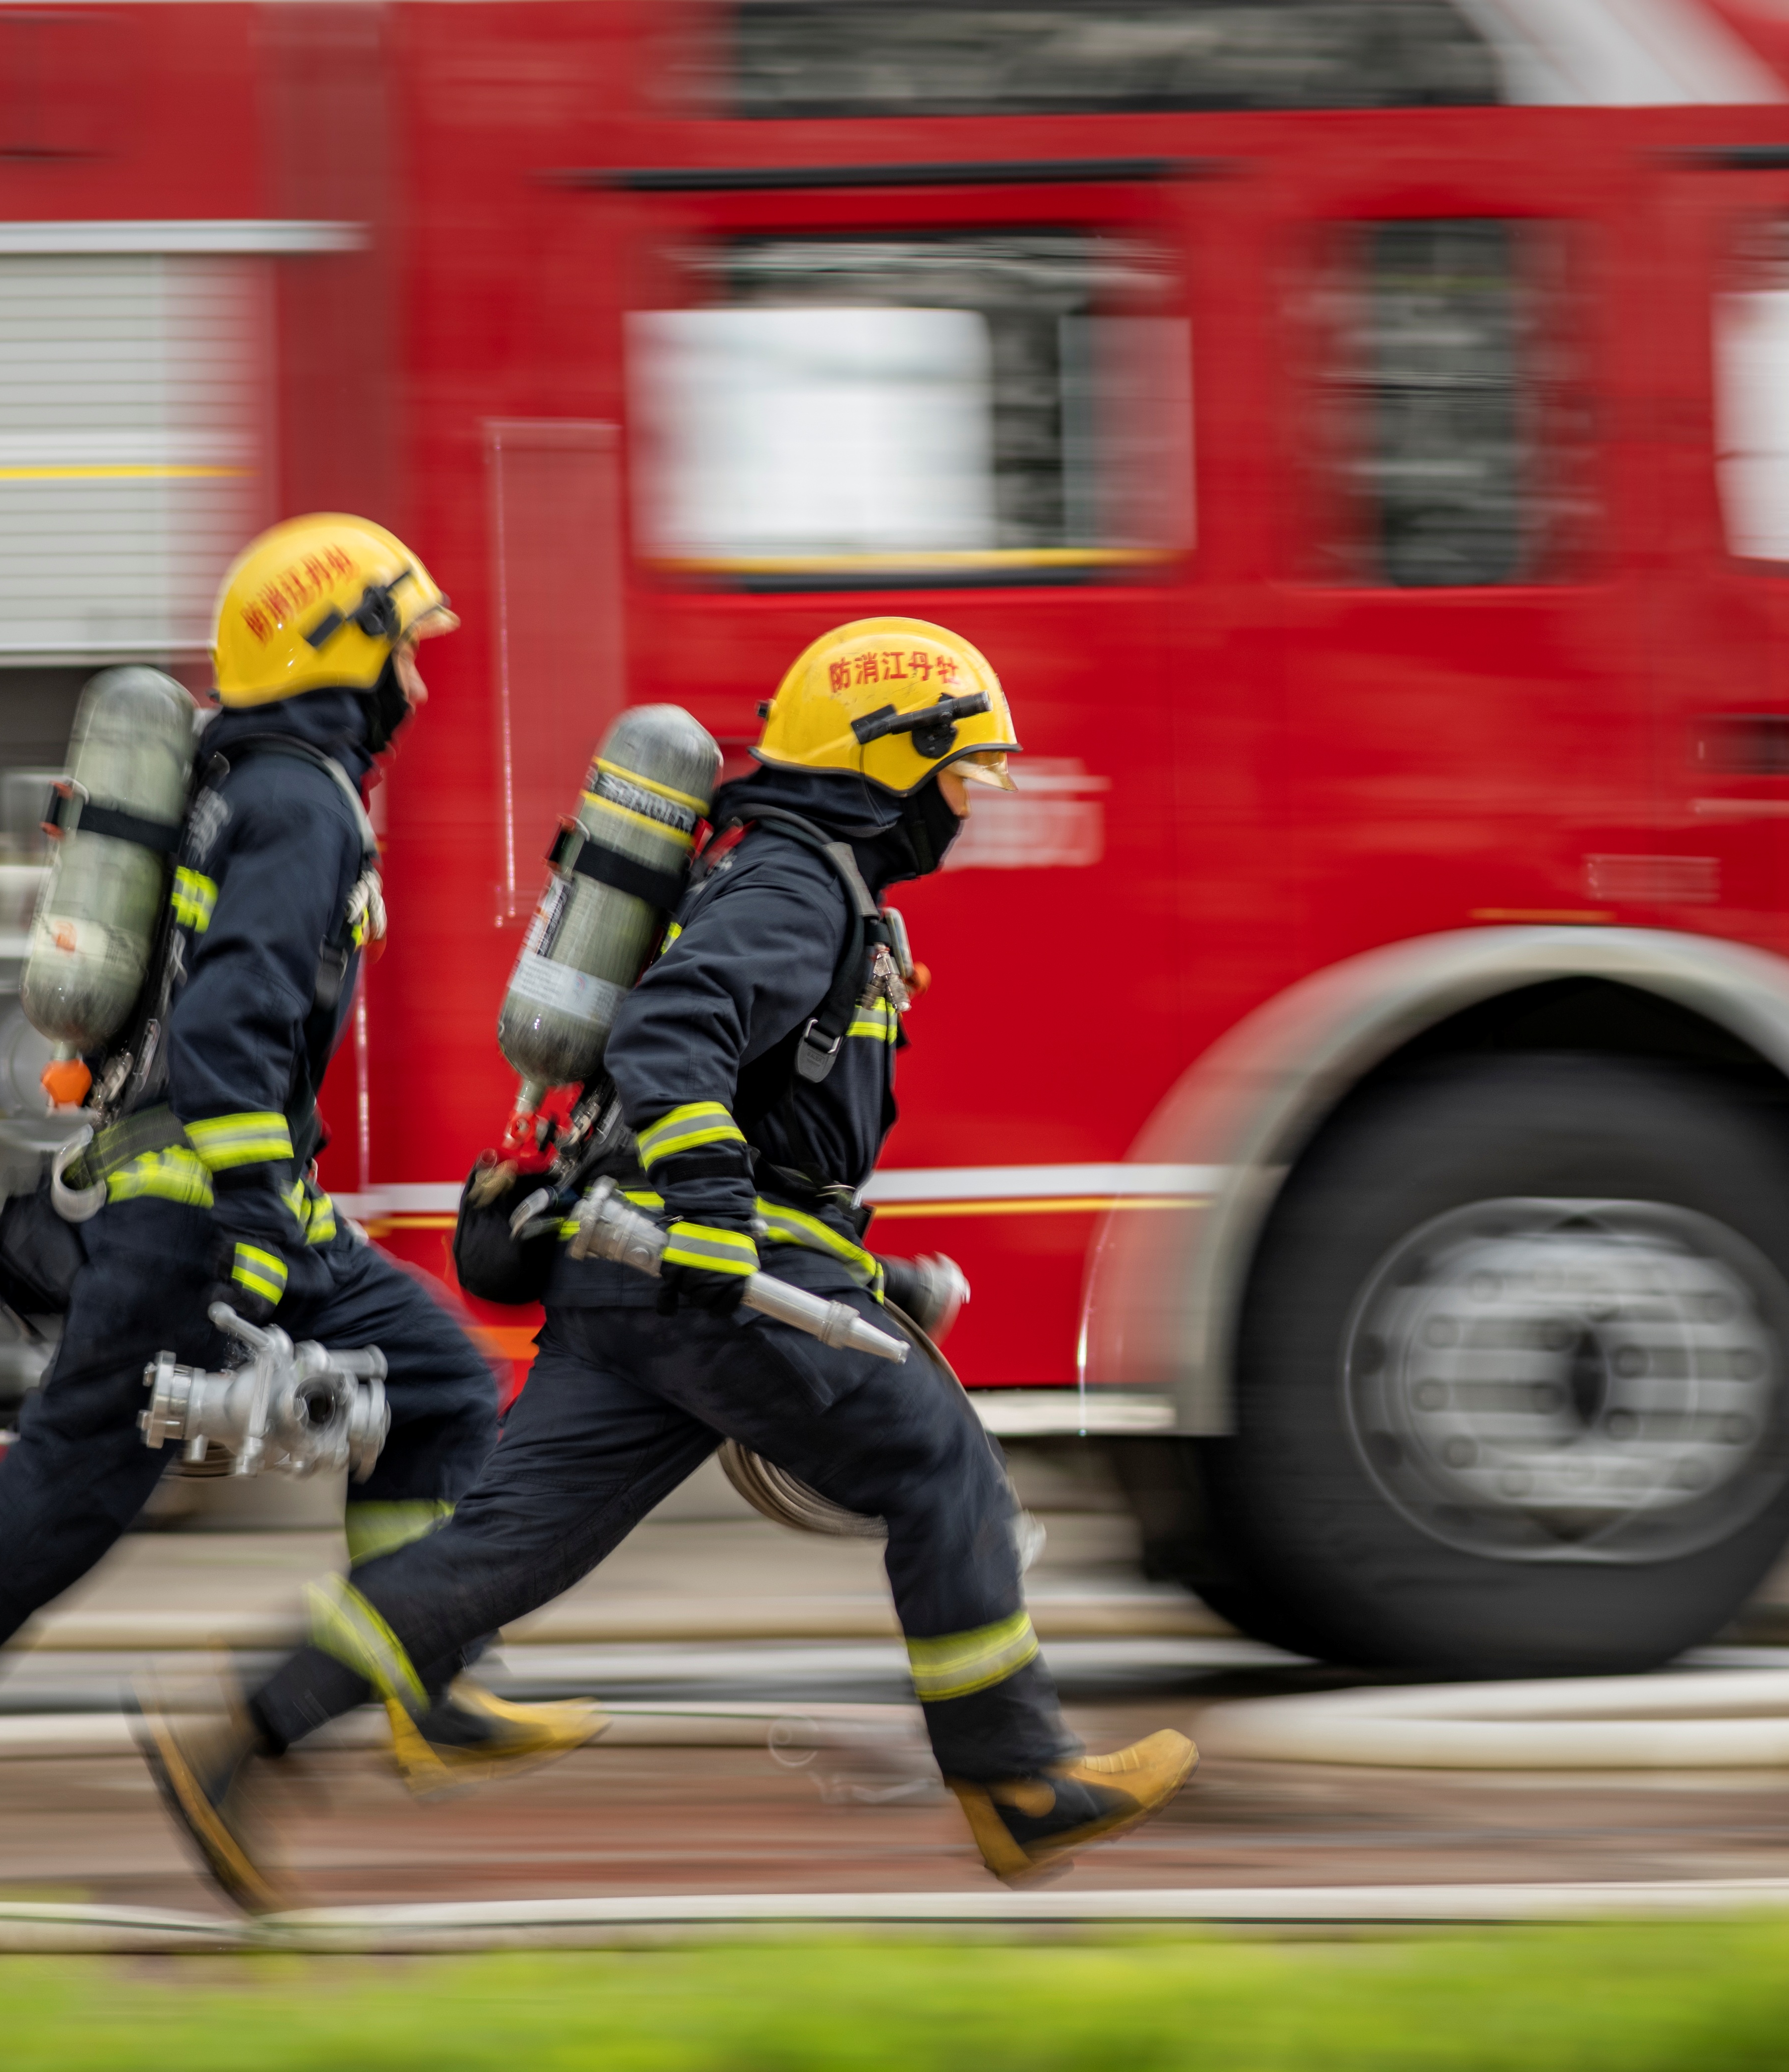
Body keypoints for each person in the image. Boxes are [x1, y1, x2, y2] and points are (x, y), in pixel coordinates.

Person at [137, 617, 1196, 1907]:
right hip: (698, 1275)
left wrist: (835, 1260)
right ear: (891, 760)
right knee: (938, 1463)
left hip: (626, 1279)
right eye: (961, 773)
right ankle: (1018, 1781)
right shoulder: (800, 882)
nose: (971, 804)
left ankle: (241, 1739)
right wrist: (709, 1209)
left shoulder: (800, 880)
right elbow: (672, 1033)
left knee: (505, 1550)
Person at [0, 515, 587, 1902]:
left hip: (219, 1194)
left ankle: (431, 1679)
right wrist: (253, 1229)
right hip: (197, 1215)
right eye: (404, 643)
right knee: (58, 1507)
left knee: (435, 1387)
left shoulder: (241, 786)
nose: (421, 675)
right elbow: (234, 1029)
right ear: (340, 651)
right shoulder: (300, 802)